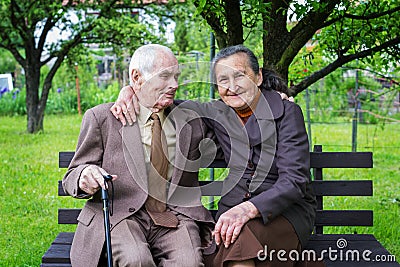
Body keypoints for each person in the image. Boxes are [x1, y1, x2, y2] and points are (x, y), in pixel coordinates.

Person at [111, 45, 318, 267]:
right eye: (223, 80)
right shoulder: (218, 113)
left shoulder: (286, 112)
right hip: (233, 210)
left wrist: (247, 210)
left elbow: (294, 181)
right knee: (217, 245)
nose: (231, 87)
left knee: (238, 241)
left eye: (240, 76)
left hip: (284, 212)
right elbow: (163, 100)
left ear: (258, 77)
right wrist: (130, 90)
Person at [62, 44, 215, 267]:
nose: (175, 84)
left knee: (188, 263)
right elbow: (73, 174)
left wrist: (278, 100)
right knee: (136, 260)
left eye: (176, 76)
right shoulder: (103, 118)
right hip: (121, 215)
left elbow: (233, 110)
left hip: (174, 216)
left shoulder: (190, 118)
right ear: (137, 77)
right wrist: (85, 174)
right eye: (165, 76)